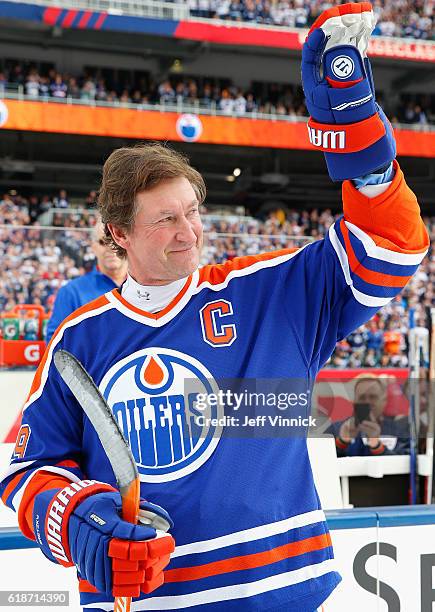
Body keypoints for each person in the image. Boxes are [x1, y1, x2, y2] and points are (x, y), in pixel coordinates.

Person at [0, 5, 430, 611]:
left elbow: (392, 246)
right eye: (166, 220)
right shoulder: (82, 336)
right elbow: (27, 469)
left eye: (193, 212)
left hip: (283, 594)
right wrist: (78, 517)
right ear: (119, 234)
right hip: (146, 601)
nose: (188, 233)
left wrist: (362, 141)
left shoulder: (270, 291)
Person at [45, 219, 128, 342]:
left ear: (128, 243)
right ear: (93, 247)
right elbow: (56, 343)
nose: (111, 247)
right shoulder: (71, 292)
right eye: (103, 242)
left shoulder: (147, 287)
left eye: (116, 239)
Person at [328, 375, 410, 456]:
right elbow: (322, 462)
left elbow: (404, 464)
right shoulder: (336, 429)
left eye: (373, 397)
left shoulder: (399, 430)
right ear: (354, 401)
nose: (367, 402)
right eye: (362, 397)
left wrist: (377, 446)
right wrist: (341, 442)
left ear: (384, 401)